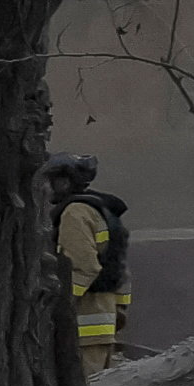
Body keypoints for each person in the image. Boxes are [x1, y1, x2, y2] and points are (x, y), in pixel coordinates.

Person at [49, 152, 134, 359]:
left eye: (52, 180)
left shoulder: (74, 213)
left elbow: (82, 267)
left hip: (81, 325)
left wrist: (56, 305)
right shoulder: (101, 209)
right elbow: (120, 268)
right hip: (103, 324)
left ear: (65, 182)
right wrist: (119, 310)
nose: (46, 186)